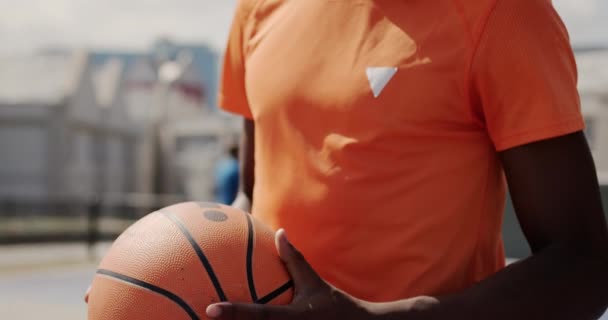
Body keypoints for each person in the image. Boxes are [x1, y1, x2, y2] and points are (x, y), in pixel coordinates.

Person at [206, 0, 608, 319]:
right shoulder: (257, 7)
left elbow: (585, 267)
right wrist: (188, 262)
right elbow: (251, 194)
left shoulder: (506, 11)